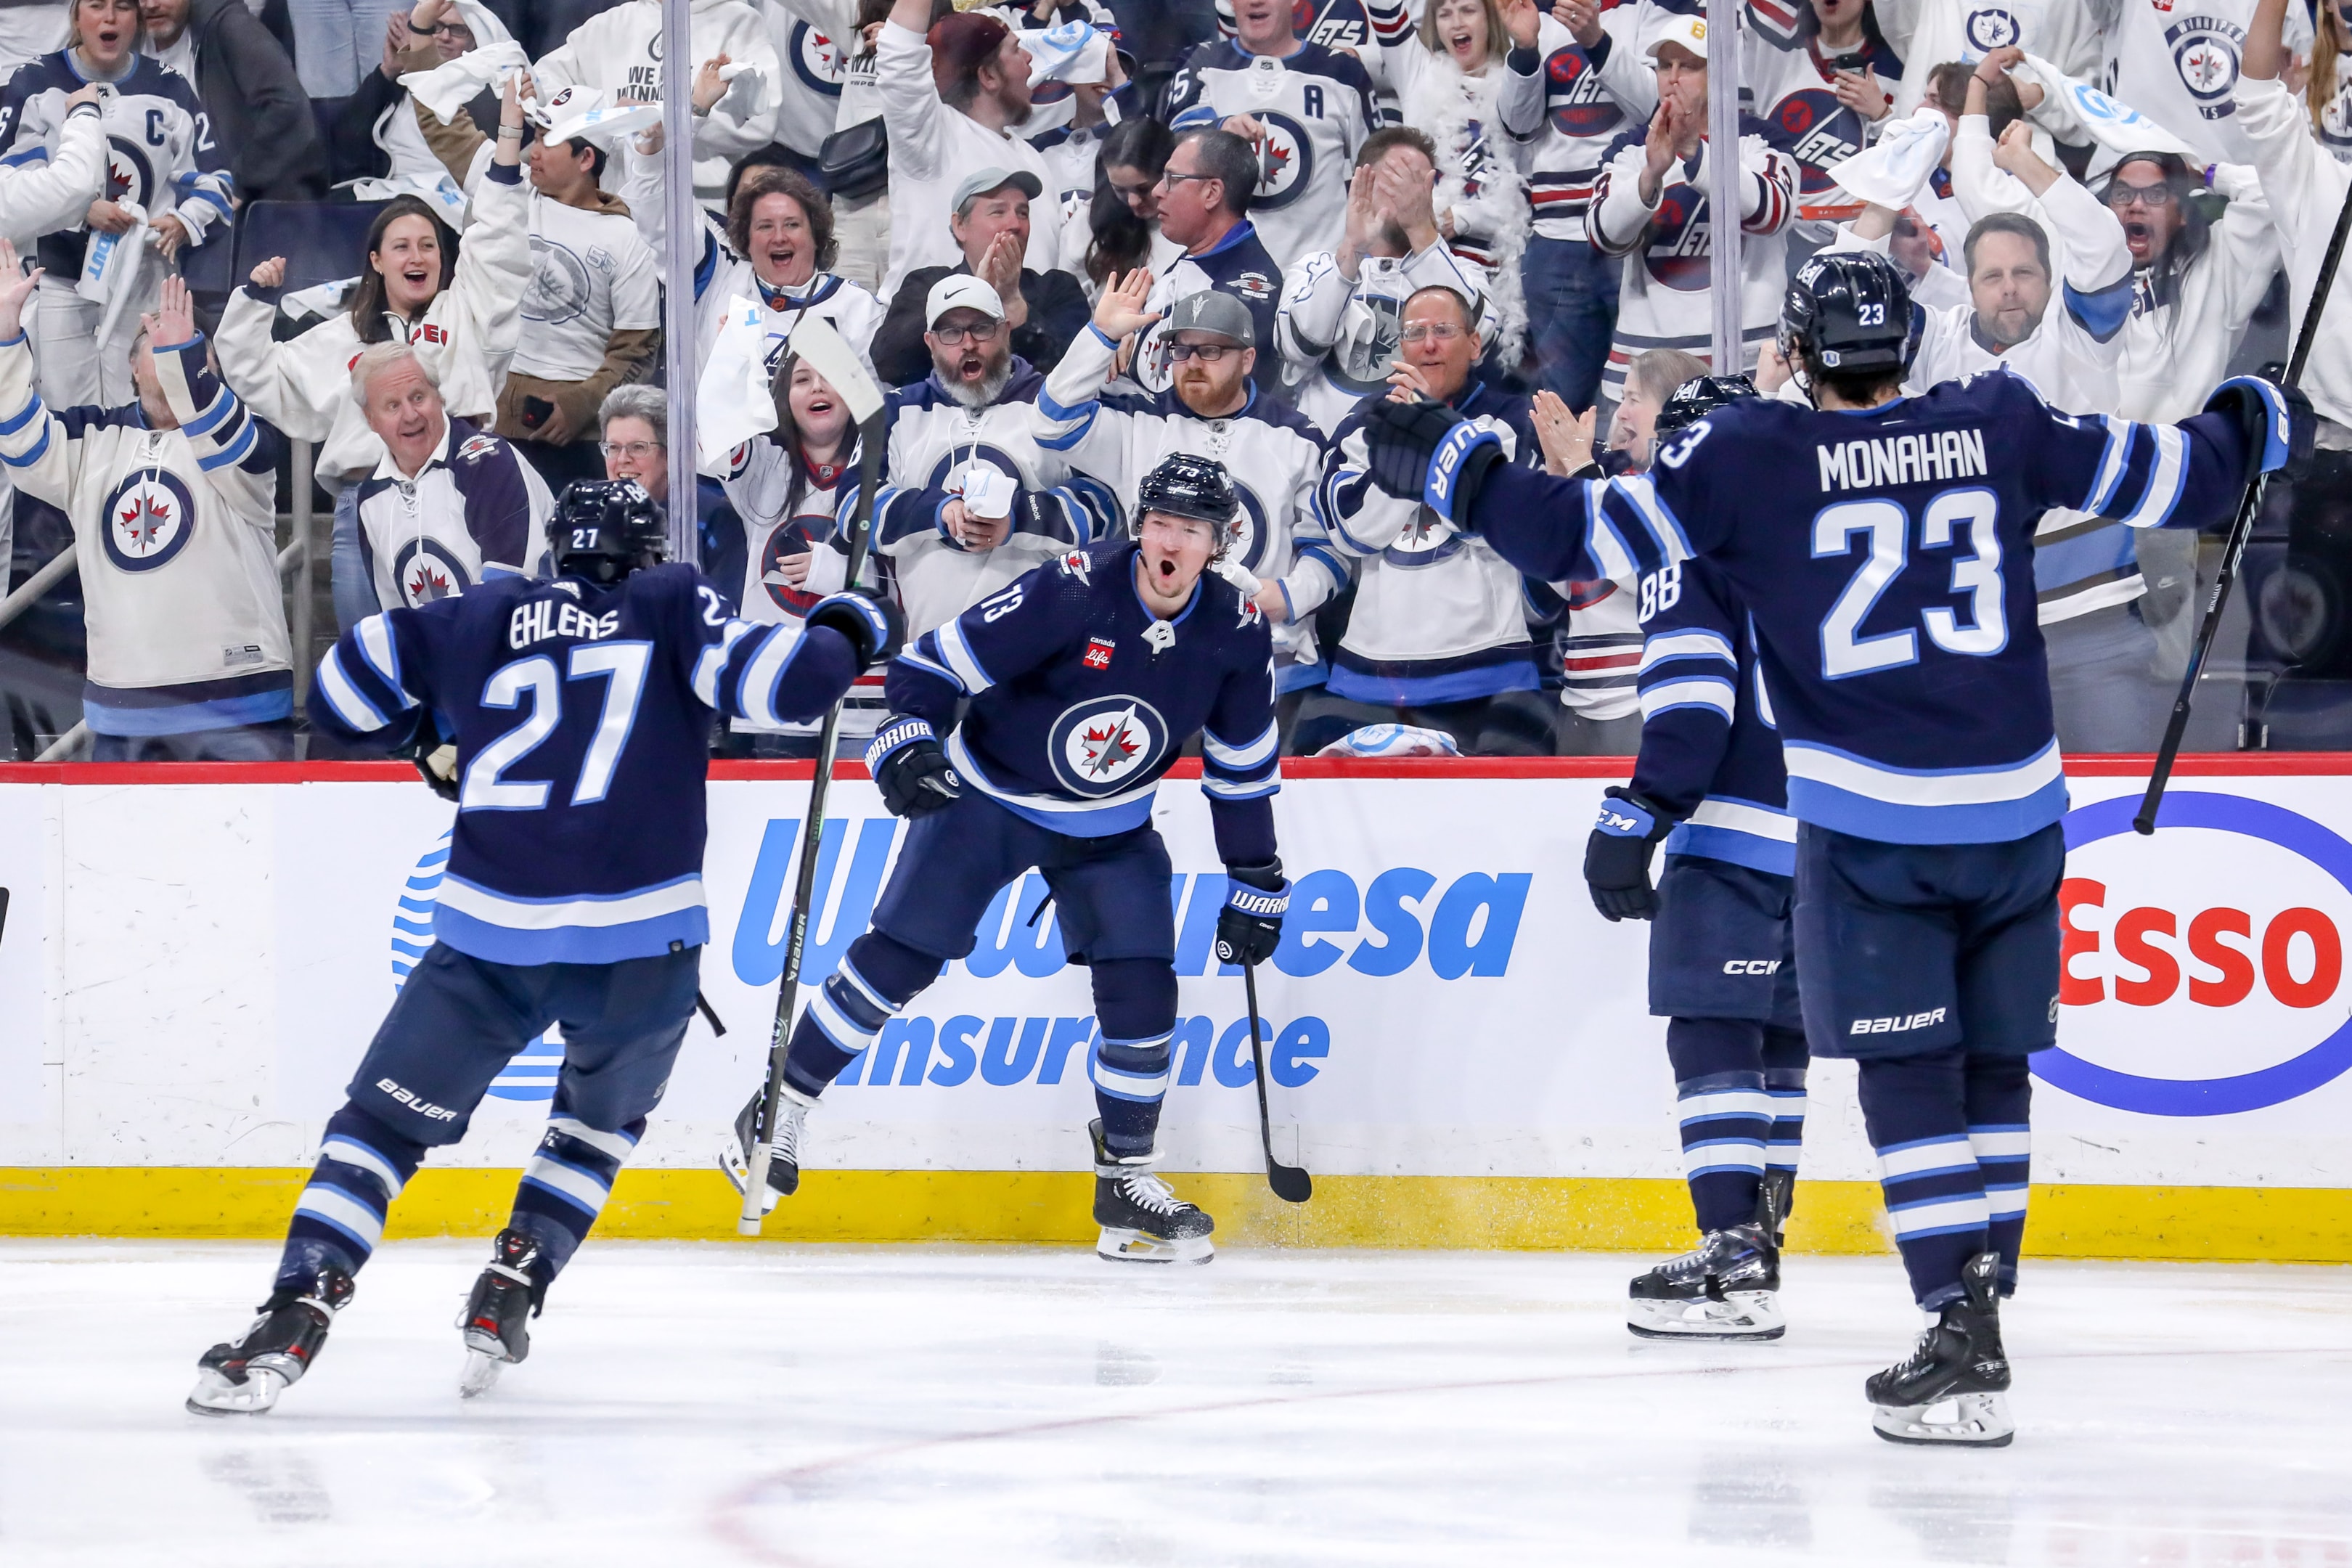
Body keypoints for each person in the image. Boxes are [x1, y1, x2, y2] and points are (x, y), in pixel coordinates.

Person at [1358, 246, 2304, 1445]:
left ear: (1799, 356)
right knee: (1995, 1063)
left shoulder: (1752, 459)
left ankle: (1958, 1331)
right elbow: (2186, 476)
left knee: (1912, 1077)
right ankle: (1983, 1299)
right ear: (1908, 344)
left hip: (1874, 832)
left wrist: (1451, 462)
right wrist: (2257, 413)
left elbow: (1570, 540)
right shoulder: (1998, 421)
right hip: (2019, 820)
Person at [184, 482, 894, 1415]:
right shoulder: (674, 601)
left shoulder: (484, 612)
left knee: (379, 1132)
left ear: (558, 551)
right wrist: (852, 617)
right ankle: (515, 1283)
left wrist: (429, 737)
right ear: (645, 553)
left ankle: (297, 1309)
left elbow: (341, 686)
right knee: (595, 1129)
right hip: (644, 951)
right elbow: (800, 687)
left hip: (493, 939)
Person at [719, 453, 1286, 1267]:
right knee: (902, 957)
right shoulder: (1072, 588)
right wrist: (907, 733)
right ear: (1140, 527)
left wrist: (1256, 875)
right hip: (990, 798)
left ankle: (1125, 1182)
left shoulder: (1235, 628)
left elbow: (1242, 765)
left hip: (1111, 825)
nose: (1170, 543)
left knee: (1143, 981)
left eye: (1190, 530)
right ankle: (778, 1110)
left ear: (1219, 542)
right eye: (1160, 523)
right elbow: (930, 665)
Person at [1583, 371, 1813, 1341]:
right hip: (1830, 844)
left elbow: (1692, 712)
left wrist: (1634, 820)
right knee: (1780, 1038)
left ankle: (1734, 1256)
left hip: (1736, 847)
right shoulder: (1815, 544)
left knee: (1715, 1030)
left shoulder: (1694, 550)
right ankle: (1759, 1235)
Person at [1834, 70, 2148, 751]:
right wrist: (1885, 197)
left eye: (2025, 273)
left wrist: (2026, 165)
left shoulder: (2083, 337)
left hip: (2092, 629)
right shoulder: (1937, 342)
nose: (2010, 291)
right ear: (1967, 286)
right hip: (1970, 641)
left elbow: (2103, 247)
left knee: (2121, 820)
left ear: (2048, 280)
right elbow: (1832, 306)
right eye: (1992, 276)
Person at [216, 73, 531, 630]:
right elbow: (253, 369)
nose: (418, 255)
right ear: (377, 261)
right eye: (402, 246)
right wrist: (256, 301)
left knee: (467, 651)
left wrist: (509, 135)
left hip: (462, 492)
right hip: (362, 503)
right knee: (372, 660)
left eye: (429, 245)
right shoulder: (344, 337)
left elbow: (500, 236)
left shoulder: (467, 312)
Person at [0, 259, 293, 758]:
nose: (175, 352)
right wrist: (7, 336)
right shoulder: (91, 438)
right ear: (132, 368)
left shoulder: (243, 442)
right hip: (122, 711)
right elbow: (23, 445)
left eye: (191, 349)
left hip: (239, 704)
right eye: (158, 343)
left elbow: (228, 438)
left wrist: (185, 365)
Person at [1038, 274, 1337, 703]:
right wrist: (1100, 337)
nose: (1193, 363)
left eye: (1212, 350)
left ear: (1248, 358)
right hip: (1159, 661)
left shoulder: (1297, 437)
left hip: (1273, 661)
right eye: (1181, 350)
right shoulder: (1139, 422)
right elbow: (1051, 425)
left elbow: (1326, 548)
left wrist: (1286, 598)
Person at [1294, 282, 1553, 756]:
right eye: (1415, 332)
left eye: (1443, 330)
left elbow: (1496, 528)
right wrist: (1427, 459)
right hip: (1369, 674)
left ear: (1475, 345)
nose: (1428, 344)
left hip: (1488, 673)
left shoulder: (1515, 420)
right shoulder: (1363, 421)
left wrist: (1423, 438)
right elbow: (1354, 534)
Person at [406, 73, 662, 493]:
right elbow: (444, 126)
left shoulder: (626, 239)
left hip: (572, 439)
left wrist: (581, 406)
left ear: (585, 159)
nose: (533, 150)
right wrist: (422, 41)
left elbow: (637, 352)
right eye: (535, 134)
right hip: (480, 412)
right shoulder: (507, 187)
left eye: (548, 139)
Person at [0, 0, 235, 407]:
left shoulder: (171, 86)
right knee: (63, 407)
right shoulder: (34, 81)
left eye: (123, 7)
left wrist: (183, 220)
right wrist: (76, 208)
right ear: (75, 17)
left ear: (137, 19)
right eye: (96, 6)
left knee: (142, 398)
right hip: (59, 276)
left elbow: (218, 181)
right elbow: (12, 183)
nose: (110, 18)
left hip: (143, 275)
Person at [865, 274, 1101, 636]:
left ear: (1006, 331)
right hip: (932, 652)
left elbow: (1104, 506)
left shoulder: (1055, 406)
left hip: (1039, 653)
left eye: (981, 328)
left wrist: (1017, 519)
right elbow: (855, 510)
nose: (968, 344)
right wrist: (937, 511)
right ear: (930, 343)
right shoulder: (897, 411)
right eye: (950, 333)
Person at [1587, 13, 1799, 409]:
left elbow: (1773, 212)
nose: (1673, 76)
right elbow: (1602, 235)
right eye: (1665, 65)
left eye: (1689, 66)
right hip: (1646, 371)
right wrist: (1652, 173)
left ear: (1719, 72)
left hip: (1747, 367)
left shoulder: (1761, 140)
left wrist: (1693, 153)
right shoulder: (1630, 150)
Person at [712, 349, 897, 755]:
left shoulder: (890, 467)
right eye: (801, 379)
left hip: (863, 711)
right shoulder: (763, 465)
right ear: (785, 398)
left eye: (829, 375)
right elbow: (715, 425)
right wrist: (733, 353)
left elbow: (908, 591)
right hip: (775, 700)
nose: (816, 386)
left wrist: (839, 575)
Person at [1275, 128, 1492, 436]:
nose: (1410, 198)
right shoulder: (1315, 267)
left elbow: (1480, 339)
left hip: (1419, 450)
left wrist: (1422, 233)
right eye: (1396, 182)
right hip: (1322, 452)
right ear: (1361, 189)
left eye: (1420, 186)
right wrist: (1351, 252)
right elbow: (1299, 346)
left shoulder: (1465, 273)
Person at [1368, 0, 1541, 352]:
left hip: (1501, 269)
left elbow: (1524, 192)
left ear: (1489, 17)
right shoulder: (1418, 72)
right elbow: (1383, 12)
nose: (1456, 23)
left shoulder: (1519, 83)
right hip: (1420, 263)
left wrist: (1460, 219)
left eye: (1467, 10)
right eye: (1444, 14)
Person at [1163, 0, 1378, 269]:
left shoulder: (1342, 72)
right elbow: (1172, 142)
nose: (1256, 2)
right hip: (1222, 274)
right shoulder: (1202, 63)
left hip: (1323, 276)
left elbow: (1376, 172)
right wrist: (1220, 128)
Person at [1519, 0, 1657, 412]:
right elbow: (1518, 127)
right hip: (1556, 239)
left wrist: (1595, 40)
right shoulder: (1533, 17)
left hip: (1631, 231)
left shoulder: (1645, 14)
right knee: (1558, 404)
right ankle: (1559, 478)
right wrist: (1525, 50)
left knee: (1642, 393)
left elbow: (1654, 108)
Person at [873, 0, 1060, 301]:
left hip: (1019, 340)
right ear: (988, 76)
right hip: (929, 337)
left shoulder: (1032, 160)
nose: (1029, 57)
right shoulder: (932, 138)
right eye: (1015, 49)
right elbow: (899, 56)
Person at [350, 342, 554, 608]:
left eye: (418, 397)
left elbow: (513, 593)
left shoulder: (488, 464)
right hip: (445, 645)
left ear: (440, 397)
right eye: (393, 406)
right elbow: (395, 616)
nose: (411, 415)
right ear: (370, 419)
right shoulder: (371, 497)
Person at [533, 0, 782, 209]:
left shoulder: (740, 22)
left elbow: (762, 121)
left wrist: (673, 116)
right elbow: (543, 86)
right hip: (614, 202)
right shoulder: (613, 23)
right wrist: (605, 115)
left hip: (703, 206)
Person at [872, 166, 1090, 385]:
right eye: (998, 212)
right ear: (960, 225)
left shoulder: (1057, 288)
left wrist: (1019, 311)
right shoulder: (926, 286)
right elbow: (889, 364)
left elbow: (1076, 371)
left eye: (1023, 213)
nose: (1015, 224)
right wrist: (970, 297)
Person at [1131, 126, 1285, 399]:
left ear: (1212, 193)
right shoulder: (1196, 254)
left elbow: (1210, 403)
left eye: (1172, 179)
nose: (1156, 191)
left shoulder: (1246, 292)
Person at [1741, 0, 1900, 245]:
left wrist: (1882, 115)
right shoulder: (1776, 52)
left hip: (1855, 238)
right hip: (1772, 237)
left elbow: (1909, 165)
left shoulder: (1896, 74)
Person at [137, 0, 327, 202]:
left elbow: (288, 107)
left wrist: (239, 183)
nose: (150, 5)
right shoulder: (126, 37)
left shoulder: (229, 26)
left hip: (243, 201)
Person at [1079, 113, 1180, 292]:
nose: (1133, 202)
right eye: (1119, 190)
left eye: (1143, 189)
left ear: (1170, 173)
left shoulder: (1199, 221)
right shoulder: (1087, 222)